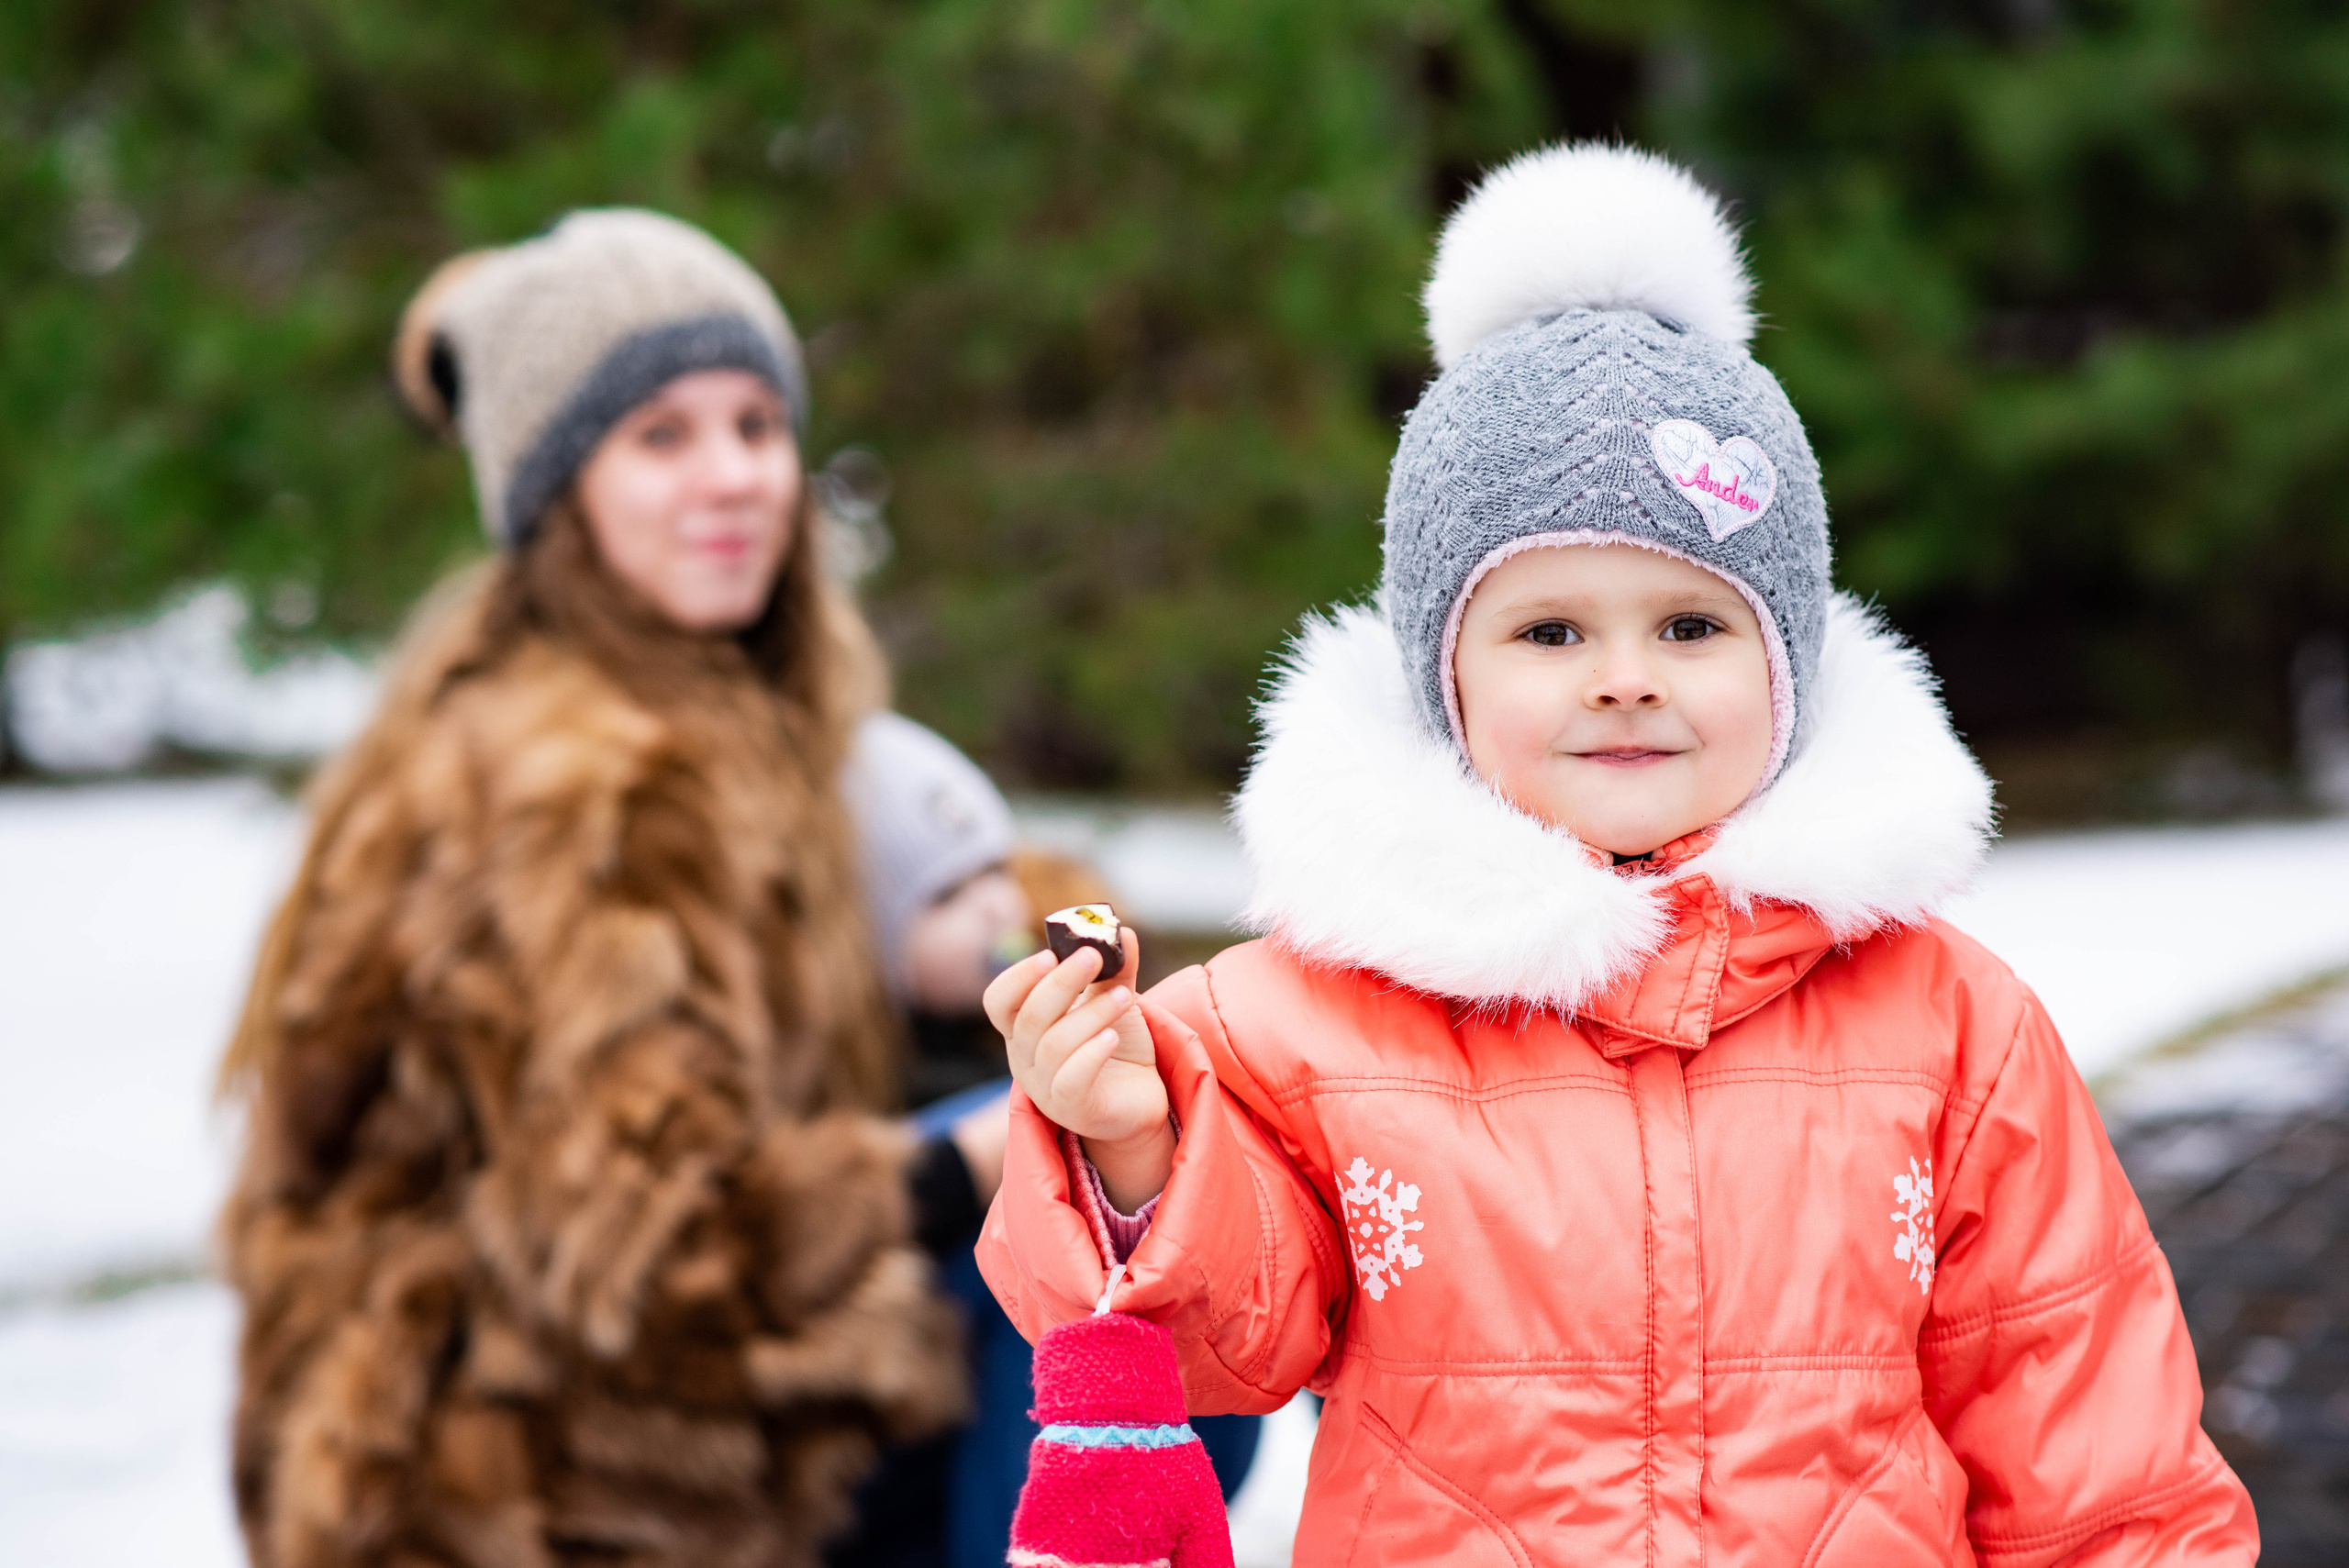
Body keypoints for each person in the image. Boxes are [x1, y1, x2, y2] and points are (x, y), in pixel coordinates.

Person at [976, 146, 2259, 1565]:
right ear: (1442, 677)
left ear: (1787, 665)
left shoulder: (1952, 1027)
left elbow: (2091, 1445)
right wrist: (1137, 1146)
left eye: (1693, 627)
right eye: (1550, 632)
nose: (1625, 679)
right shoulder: (1299, 1023)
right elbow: (1224, 1347)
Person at [217, 210, 963, 1568]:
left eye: (755, 424)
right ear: (559, 493)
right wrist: (963, 1165)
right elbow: (659, 1261)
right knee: (1087, 1261)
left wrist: (974, 941)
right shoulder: (571, 786)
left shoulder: (742, 722)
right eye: (661, 437)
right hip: (518, 1493)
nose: (732, 477)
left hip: (656, 1442)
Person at [832, 715, 1259, 1568]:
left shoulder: (1025, 1025)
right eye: (946, 897)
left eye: (996, 869)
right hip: (894, 1450)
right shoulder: (848, 1071)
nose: (996, 905)